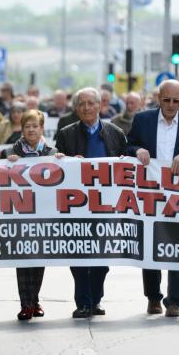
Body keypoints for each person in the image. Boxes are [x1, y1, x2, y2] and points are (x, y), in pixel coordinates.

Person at [126, 79, 179, 318]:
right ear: (158, 98)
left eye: (176, 100)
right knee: (150, 246)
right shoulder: (143, 120)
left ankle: (174, 301)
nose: (171, 105)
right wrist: (137, 150)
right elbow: (128, 145)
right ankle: (153, 298)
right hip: (149, 194)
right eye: (167, 100)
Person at [55, 87, 127, 318]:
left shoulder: (115, 132)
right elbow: (56, 165)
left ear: (100, 106)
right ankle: (83, 302)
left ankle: (95, 300)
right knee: (78, 256)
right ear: (75, 108)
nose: (86, 108)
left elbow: (128, 164)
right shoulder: (66, 134)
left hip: (106, 206)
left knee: (101, 258)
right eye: (82, 104)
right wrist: (65, 160)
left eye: (91, 103)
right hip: (76, 206)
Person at [2, 109, 62, 320]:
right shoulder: (11, 151)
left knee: (39, 259)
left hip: (43, 214)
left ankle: (35, 300)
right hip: (20, 213)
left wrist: (63, 161)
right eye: (27, 126)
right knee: (23, 259)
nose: (31, 130)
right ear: (22, 129)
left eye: (35, 126)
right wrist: (8, 163)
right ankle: (25, 303)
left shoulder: (52, 151)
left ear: (42, 128)